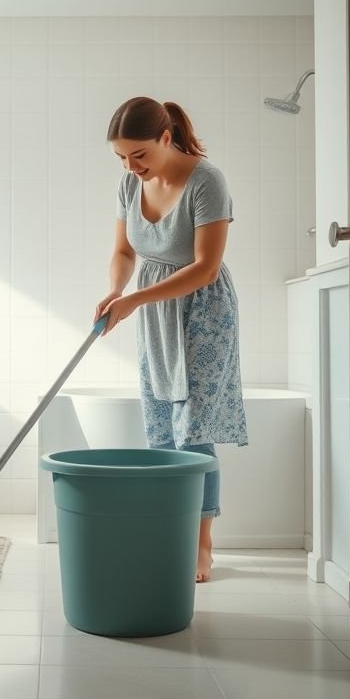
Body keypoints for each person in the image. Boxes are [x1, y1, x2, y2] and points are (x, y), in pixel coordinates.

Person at [94, 96, 248, 583]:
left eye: (139, 154)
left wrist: (135, 300)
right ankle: (173, 532)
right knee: (161, 425)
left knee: (193, 431)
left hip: (204, 311)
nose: (130, 166)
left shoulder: (207, 181)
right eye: (121, 157)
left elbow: (205, 268)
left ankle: (202, 545)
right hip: (156, 312)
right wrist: (117, 290)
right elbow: (123, 251)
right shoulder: (129, 184)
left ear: (165, 137)